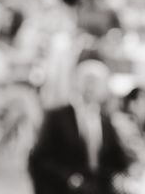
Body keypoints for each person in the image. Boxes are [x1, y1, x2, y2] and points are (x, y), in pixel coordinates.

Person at [29, 60, 129, 194]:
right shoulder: (57, 116)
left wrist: (120, 176)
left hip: (99, 187)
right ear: (76, 82)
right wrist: (68, 178)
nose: (91, 87)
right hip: (65, 187)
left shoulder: (105, 120)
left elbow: (116, 158)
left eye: (97, 82)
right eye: (87, 80)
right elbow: (40, 159)